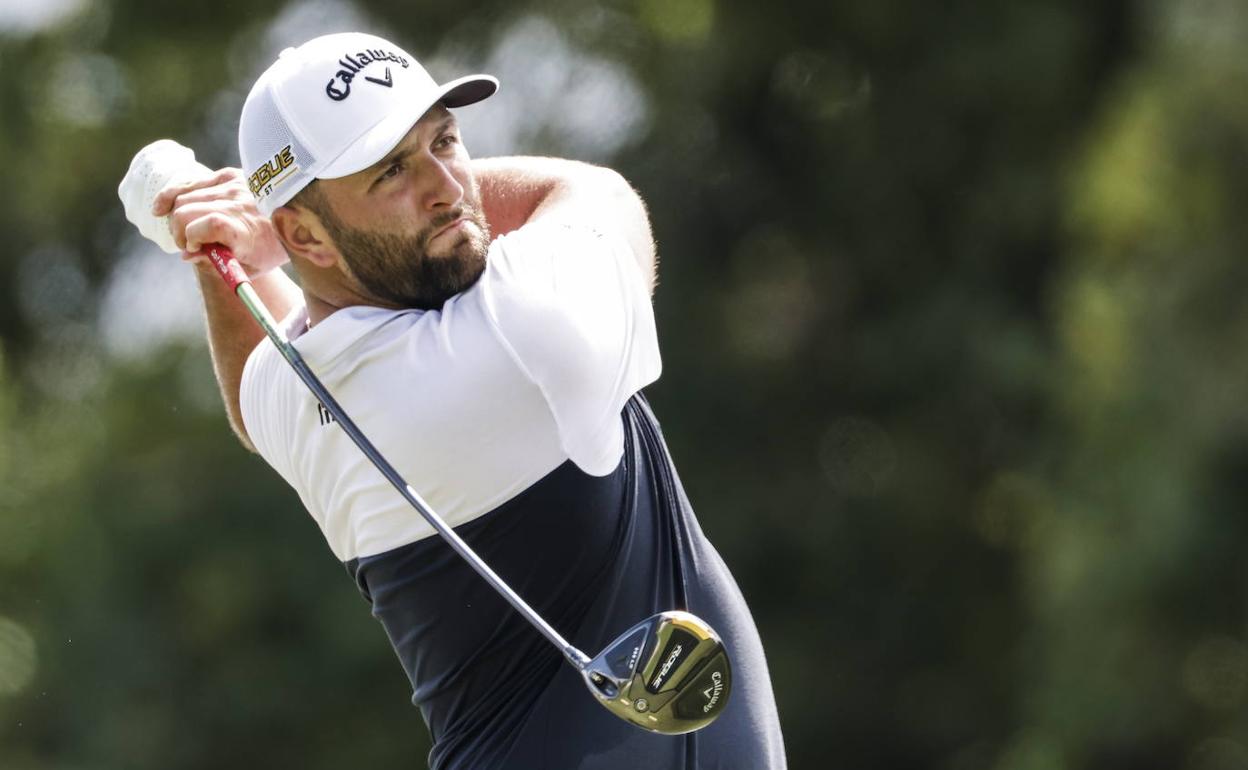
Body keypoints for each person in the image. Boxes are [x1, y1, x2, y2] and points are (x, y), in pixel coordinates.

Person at [151, 31, 787, 770]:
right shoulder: (527, 326)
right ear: (305, 237)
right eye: (392, 170)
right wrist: (264, 233)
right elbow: (594, 191)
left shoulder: (296, 397)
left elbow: (249, 385)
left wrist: (222, 252)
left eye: (445, 140)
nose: (448, 187)